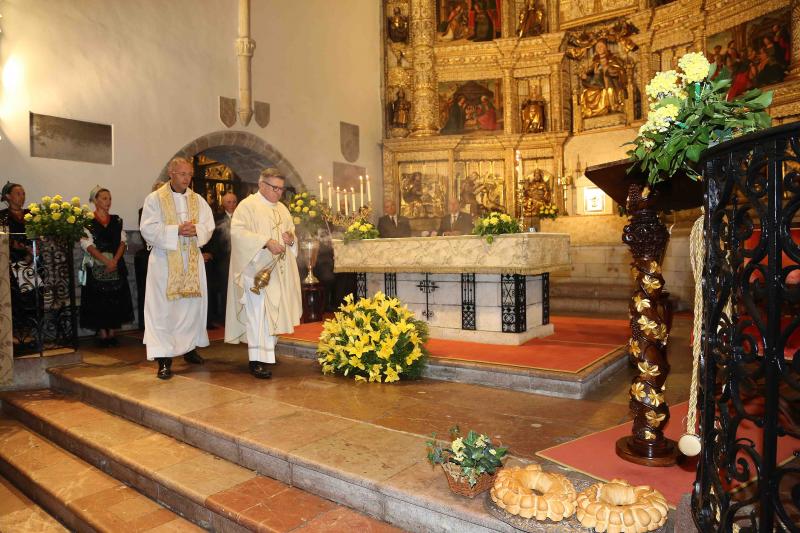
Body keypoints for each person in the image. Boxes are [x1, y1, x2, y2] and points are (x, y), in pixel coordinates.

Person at [140, 157, 215, 380]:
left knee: (191, 307)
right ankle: (163, 358)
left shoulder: (198, 200)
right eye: (183, 174)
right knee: (164, 310)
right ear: (171, 173)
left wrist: (197, 230)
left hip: (191, 259)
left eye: (190, 174)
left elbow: (208, 225)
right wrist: (176, 231)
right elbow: (147, 228)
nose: (187, 178)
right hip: (164, 262)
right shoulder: (155, 199)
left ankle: (189, 348)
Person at [226, 168, 302, 379]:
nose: (279, 193)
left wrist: (291, 240)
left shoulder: (283, 209)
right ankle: (256, 360)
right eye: (275, 188)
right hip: (256, 272)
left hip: (279, 271)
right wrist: (265, 242)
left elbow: (291, 235)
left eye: (281, 189)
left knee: (272, 314)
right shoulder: (247, 206)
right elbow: (238, 233)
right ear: (261, 185)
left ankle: (267, 354)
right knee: (257, 315)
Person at [79, 186, 134, 346]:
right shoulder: (87, 222)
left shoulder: (117, 220)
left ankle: (112, 331)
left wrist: (114, 261)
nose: (108, 201)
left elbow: (123, 242)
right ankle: (102, 332)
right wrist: (105, 261)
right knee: (98, 299)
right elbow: (86, 244)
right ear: (95, 201)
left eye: (109, 198)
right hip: (97, 264)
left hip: (115, 263)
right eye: (104, 198)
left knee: (115, 298)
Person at [204, 191, 237, 326]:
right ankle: (226, 318)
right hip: (222, 259)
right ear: (223, 204)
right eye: (228, 202)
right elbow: (212, 240)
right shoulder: (216, 219)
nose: (231, 205)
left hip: (240, 257)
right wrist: (211, 253)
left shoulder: (242, 218)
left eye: (234, 202)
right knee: (225, 288)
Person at [579, 40, 628, 118]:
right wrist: (585, 77)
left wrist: (608, 69)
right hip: (598, 85)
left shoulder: (612, 58)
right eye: (597, 47)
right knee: (586, 93)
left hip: (611, 83)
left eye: (601, 46)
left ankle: (613, 107)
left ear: (605, 48)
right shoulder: (595, 62)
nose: (599, 48)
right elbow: (591, 75)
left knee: (608, 91)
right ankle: (592, 112)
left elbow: (620, 70)